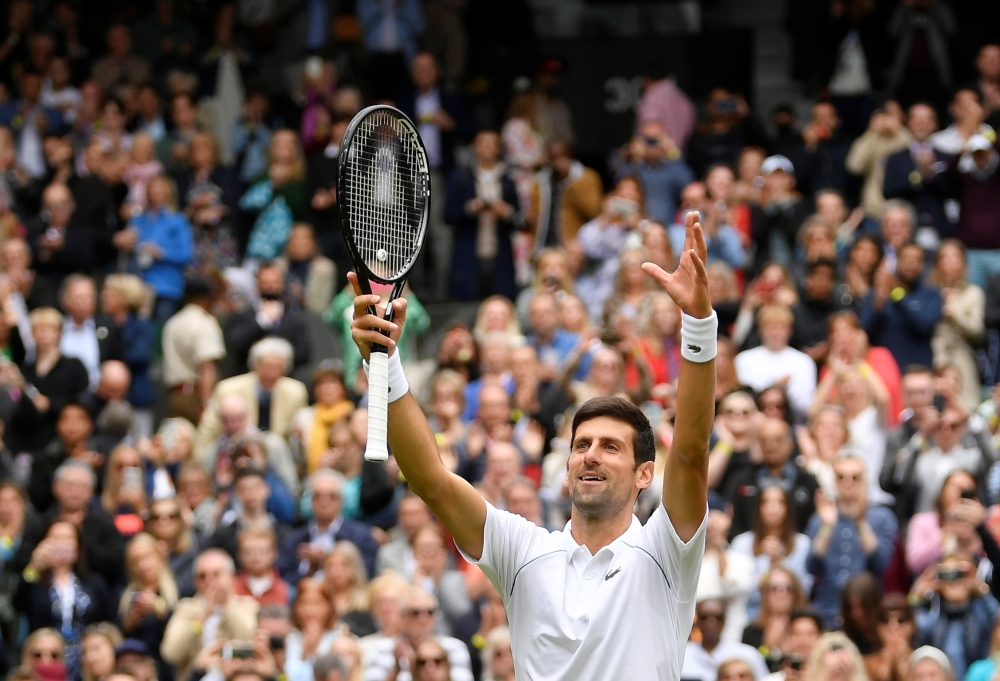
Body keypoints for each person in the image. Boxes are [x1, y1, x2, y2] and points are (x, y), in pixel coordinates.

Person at [349, 210, 717, 680]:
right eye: (582, 444)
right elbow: (432, 481)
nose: (590, 454)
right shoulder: (523, 552)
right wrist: (386, 361)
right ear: (566, 468)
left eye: (610, 447)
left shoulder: (666, 550)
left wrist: (699, 324)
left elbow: (689, 451)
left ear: (645, 473)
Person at [806, 454, 898, 627]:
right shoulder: (820, 519)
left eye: (855, 477)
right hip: (827, 610)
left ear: (865, 481)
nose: (848, 482)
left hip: (868, 613)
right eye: (841, 477)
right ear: (834, 481)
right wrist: (827, 527)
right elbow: (811, 566)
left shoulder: (882, 517)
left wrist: (861, 523)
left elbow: (881, 564)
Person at [15, 518, 113, 680]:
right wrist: (33, 568)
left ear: (78, 545)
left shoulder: (94, 583)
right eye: (56, 538)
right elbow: (17, 604)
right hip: (46, 662)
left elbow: (107, 620)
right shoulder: (35, 582)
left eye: (67, 538)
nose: (61, 544)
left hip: (86, 661)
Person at [160, 548, 259, 681]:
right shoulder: (186, 608)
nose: (209, 580)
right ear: (195, 581)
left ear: (231, 575)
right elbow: (171, 653)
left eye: (216, 574)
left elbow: (250, 640)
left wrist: (226, 605)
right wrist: (203, 616)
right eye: (202, 576)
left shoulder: (247, 605)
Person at [445, 130, 520, 300]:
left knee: (500, 301)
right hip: (469, 252)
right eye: (483, 144)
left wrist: (505, 211)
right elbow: (448, 215)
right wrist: (470, 208)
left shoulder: (508, 179)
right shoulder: (460, 178)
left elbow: (519, 218)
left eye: (492, 144)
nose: (488, 148)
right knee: (468, 303)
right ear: (474, 147)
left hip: (500, 253)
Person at [277, 470, 380, 583]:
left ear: (341, 500)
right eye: (318, 496)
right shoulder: (293, 539)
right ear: (310, 501)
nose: (324, 502)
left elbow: (366, 577)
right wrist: (310, 570)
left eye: (332, 496)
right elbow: (284, 582)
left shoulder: (362, 537)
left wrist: (327, 562)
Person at [361, 587, 472, 681]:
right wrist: (396, 669)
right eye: (415, 613)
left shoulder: (454, 647)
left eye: (430, 612)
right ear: (402, 616)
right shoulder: (382, 649)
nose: (423, 619)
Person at [860, 243, 942, 370]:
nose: (911, 264)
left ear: (923, 265)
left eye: (917, 260)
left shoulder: (932, 295)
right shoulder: (877, 294)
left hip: (918, 370)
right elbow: (865, 331)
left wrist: (897, 295)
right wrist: (878, 305)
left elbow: (924, 324)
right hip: (884, 370)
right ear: (897, 261)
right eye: (906, 259)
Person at [162, 276, 226, 425]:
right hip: (196, 396)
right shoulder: (205, 323)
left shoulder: (173, 322)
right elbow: (206, 366)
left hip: (174, 395)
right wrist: (207, 404)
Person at [734, 304, 817, 418]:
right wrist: (774, 386)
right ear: (760, 330)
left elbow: (805, 404)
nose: (775, 333)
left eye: (780, 327)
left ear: (789, 330)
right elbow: (743, 399)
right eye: (770, 327)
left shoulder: (804, 362)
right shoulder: (744, 360)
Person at [929, 240, 985, 411]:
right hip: (934, 357)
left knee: (966, 407)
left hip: (962, 357)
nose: (950, 263)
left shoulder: (973, 293)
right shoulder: (929, 292)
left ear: (963, 263)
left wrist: (954, 314)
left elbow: (977, 329)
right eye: (944, 258)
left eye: (955, 258)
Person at [225, 262, 312, 370]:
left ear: (283, 284)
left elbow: (304, 353)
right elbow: (236, 346)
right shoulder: (243, 315)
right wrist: (263, 321)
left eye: (275, 282)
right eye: (266, 283)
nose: (271, 287)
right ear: (257, 285)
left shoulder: (294, 317)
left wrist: (276, 360)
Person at [882, 104, 951, 237]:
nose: (921, 124)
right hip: (906, 229)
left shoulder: (946, 157)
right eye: (917, 120)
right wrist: (918, 175)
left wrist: (930, 174)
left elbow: (953, 191)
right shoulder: (896, 158)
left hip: (939, 227)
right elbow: (888, 191)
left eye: (926, 120)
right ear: (908, 123)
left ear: (935, 124)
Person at [525, 140, 602, 254]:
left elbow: (593, 211)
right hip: (542, 246)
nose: (558, 162)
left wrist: (570, 181)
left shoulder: (586, 177)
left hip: (571, 247)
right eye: (553, 158)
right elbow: (531, 213)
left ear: (570, 155)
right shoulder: (540, 181)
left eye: (562, 157)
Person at [681, 597, 770, 681]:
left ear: (725, 621)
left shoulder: (748, 654)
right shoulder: (682, 655)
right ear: (696, 621)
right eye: (704, 617)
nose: (711, 623)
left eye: (718, 618)